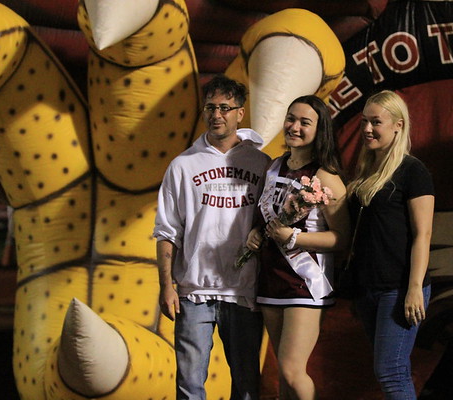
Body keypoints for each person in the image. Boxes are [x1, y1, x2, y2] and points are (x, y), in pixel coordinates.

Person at [153, 75, 271, 400]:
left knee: (247, 385)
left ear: (240, 113)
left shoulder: (261, 164)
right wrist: (166, 285)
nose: (216, 114)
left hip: (244, 291)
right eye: (210, 108)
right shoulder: (182, 165)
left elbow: (271, 222)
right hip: (194, 293)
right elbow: (166, 231)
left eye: (224, 107)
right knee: (189, 387)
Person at [245, 95, 350, 400]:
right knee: (283, 376)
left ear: (320, 130)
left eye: (305, 122)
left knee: (292, 370)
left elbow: (342, 237)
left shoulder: (326, 177)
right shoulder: (274, 166)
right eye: (291, 118)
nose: (295, 126)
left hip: (306, 282)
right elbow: (266, 219)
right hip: (270, 280)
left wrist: (293, 238)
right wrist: (256, 233)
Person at [346, 90, 434, 400]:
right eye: (364, 122)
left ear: (398, 125)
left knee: (391, 371)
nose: (368, 129)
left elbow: (423, 234)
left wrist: (414, 287)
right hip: (369, 288)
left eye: (376, 122)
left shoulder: (413, 171)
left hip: (398, 288)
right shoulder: (365, 171)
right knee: (389, 369)